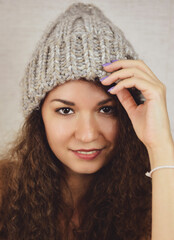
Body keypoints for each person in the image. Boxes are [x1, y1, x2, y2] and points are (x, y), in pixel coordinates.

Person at [0, 2, 174, 240]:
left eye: (105, 109)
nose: (88, 135)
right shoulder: (4, 195)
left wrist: (161, 146)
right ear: (38, 118)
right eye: (65, 111)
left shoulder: (157, 196)